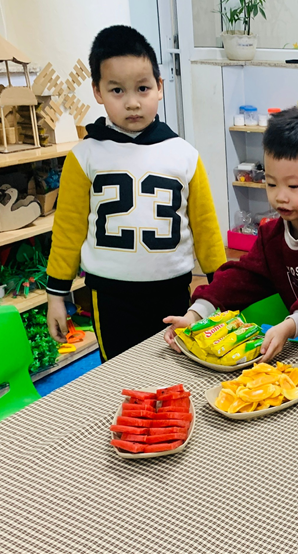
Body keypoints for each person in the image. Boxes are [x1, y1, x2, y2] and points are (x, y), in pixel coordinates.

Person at [46, 25, 225, 361]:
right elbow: (68, 230)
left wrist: (221, 289)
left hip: (172, 291)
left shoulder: (184, 154)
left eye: (143, 88)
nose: (132, 103)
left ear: (160, 87)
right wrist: (57, 294)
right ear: (97, 91)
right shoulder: (84, 157)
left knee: (177, 368)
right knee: (119, 374)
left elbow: (205, 228)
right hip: (110, 296)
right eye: (117, 90)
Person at [163, 108, 298, 361]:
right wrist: (196, 314)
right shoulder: (272, 238)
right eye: (271, 184)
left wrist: (291, 325)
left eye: (293, 186)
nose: (280, 196)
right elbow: (238, 280)